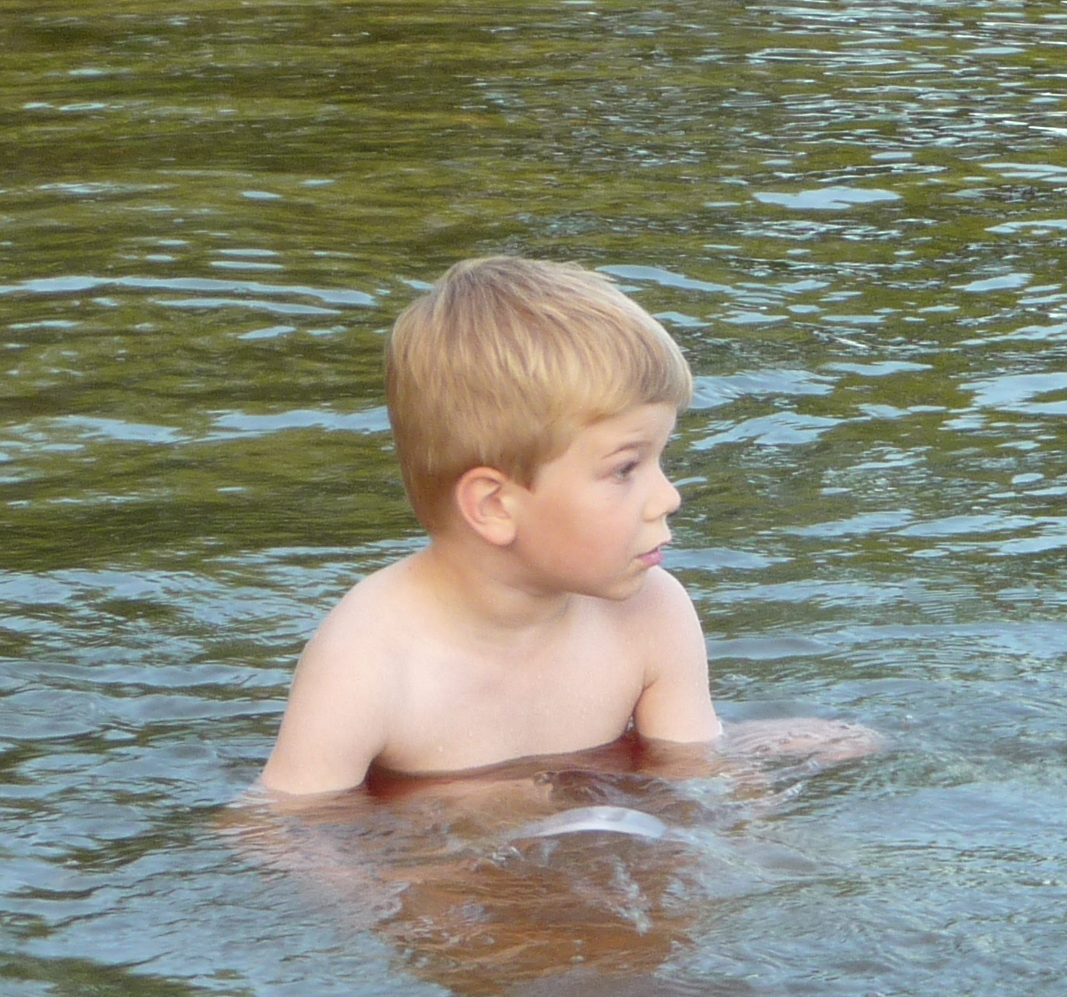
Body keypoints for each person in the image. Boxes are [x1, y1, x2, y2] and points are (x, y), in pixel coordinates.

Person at [260, 256, 734, 795]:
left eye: (660, 458)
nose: (669, 497)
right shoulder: (368, 663)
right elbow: (288, 829)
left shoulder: (653, 615)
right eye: (625, 468)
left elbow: (696, 787)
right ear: (494, 506)